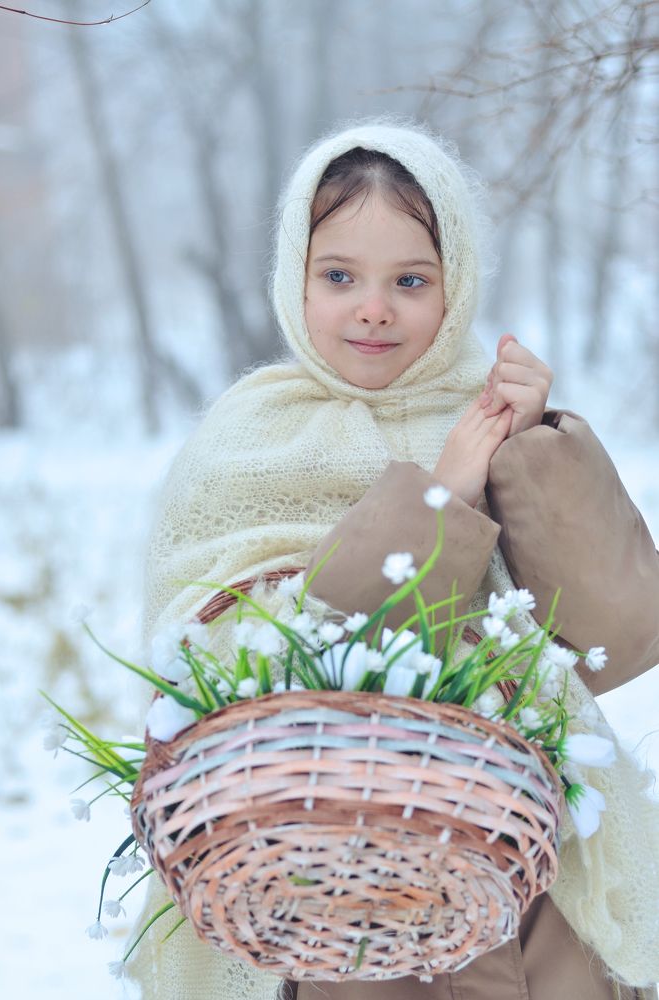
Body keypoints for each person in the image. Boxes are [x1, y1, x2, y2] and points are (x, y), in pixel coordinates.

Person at [128, 120, 659, 1000]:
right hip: (333, 896)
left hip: (537, 883)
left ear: (457, 289)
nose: (373, 308)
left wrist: (534, 454)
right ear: (294, 279)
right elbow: (252, 655)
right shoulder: (247, 440)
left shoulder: (482, 415)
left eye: (411, 280)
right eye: (339, 277)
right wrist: (440, 502)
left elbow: (613, 636)